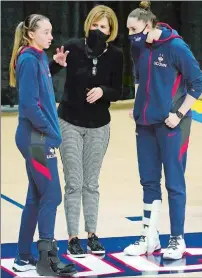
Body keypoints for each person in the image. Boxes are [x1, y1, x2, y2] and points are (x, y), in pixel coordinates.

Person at [124, 1, 202, 260]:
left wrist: (179, 113)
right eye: (127, 29)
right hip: (145, 124)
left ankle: (177, 239)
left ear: (149, 25)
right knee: (148, 181)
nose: (130, 34)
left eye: (133, 28)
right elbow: (139, 76)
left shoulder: (176, 47)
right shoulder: (138, 45)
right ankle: (150, 237)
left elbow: (198, 83)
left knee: (174, 183)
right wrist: (139, 105)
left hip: (173, 124)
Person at [49, 5, 123, 257]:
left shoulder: (116, 55)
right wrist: (56, 64)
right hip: (69, 121)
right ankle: (72, 238)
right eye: (95, 25)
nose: (98, 30)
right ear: (87, 25)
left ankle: (92, 234)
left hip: (99, 126)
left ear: (111, 31)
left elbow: (119, 91)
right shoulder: (73, 46)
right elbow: (48, 71)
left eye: (103, 27)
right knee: (74, 182)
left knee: (91, 183)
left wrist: (103, 91)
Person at [9, 14, 77, 276]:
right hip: (36, 138)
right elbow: (28, 105)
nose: (51, 36)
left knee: (36, 197)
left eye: (51, 31)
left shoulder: (36, 57)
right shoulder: (28, 59)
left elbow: (40, 83)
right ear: (30, 35)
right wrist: (52, 133)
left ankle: (23, 257)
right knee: (52, 195)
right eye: (46, 32)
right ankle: (46, 260)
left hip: (36, 136)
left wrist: (55, 65)